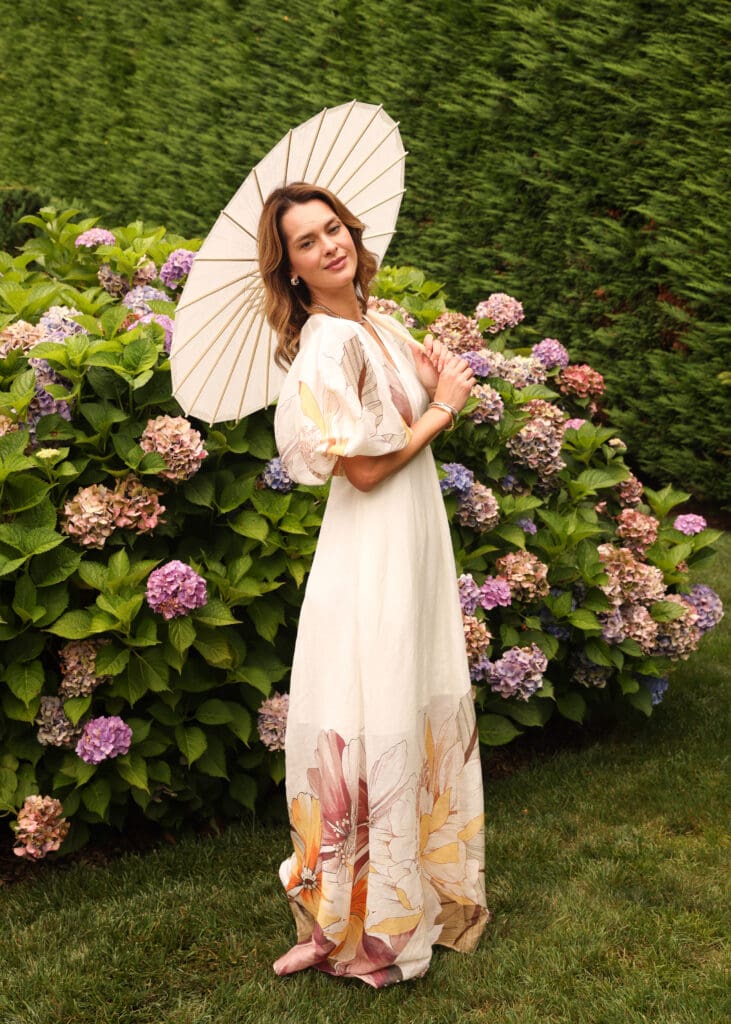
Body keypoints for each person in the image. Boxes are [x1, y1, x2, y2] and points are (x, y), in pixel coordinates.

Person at [258, 181, 489, 987]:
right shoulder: (327, 342)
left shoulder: (378, 325)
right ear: (290, 269)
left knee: (404, 692)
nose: (329, 246)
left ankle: (401, 898)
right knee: (369, 704)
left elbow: (398, 413)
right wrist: (442, 409)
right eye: (306, 242)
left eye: (333, 229)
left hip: (413, 534)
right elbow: (359, 471)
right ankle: (353, 920)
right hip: (372, 542)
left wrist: (427, 374)